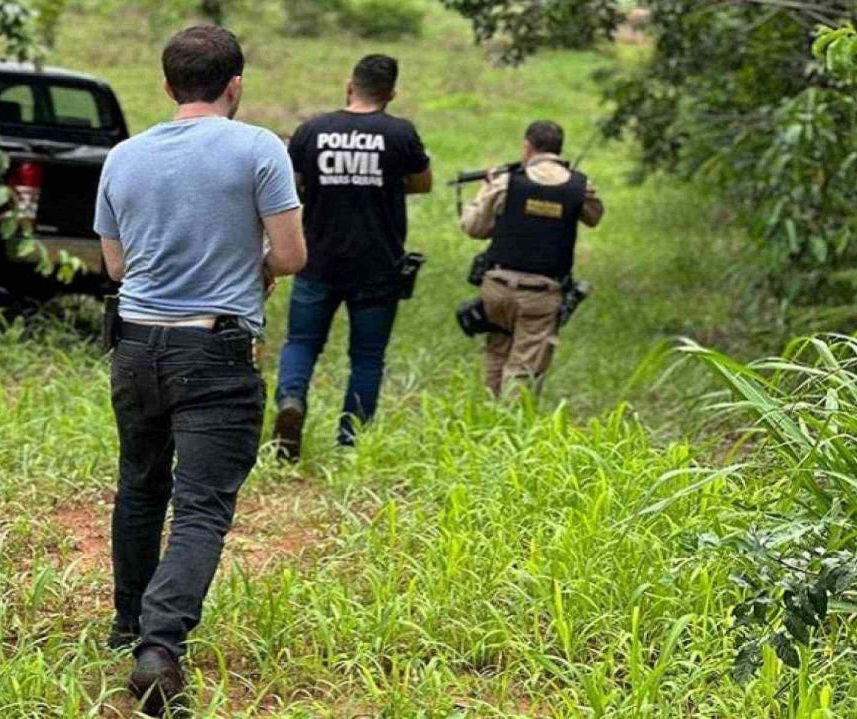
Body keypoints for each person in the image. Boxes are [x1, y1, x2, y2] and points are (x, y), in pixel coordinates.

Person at [93, 25, 306, 716]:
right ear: (235, 84)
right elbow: (292, 252)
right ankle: (158, 645)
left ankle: (128, 619)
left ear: (166, 85)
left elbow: (117, 268)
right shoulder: (259, 149)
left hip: (135, 347)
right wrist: (256, 269)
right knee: (203, 504)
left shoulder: (124, 156)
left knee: (140, 483)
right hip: (214, 350)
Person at [271, 54, 432, 461]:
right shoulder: (400, 134)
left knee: (302, 343)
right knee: (367, 357)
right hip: (377, 265)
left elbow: (295, 185)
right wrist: (383, 185)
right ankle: (349, 443)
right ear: (391, 94)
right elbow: (423, 182)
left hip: (317, 259)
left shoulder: (312, 130)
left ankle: (291, 400)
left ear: (349, 86)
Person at [459, 120, 604, 397]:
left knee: (497, 353)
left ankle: (486, 418)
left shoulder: (506, 183)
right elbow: (594, 217)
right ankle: (509, 431)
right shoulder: (579, 186)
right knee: (523, 369)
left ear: (527, 147)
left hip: (497, 289)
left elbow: (474, 228)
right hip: (542, 293)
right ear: (559, 149)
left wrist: (484, 190)